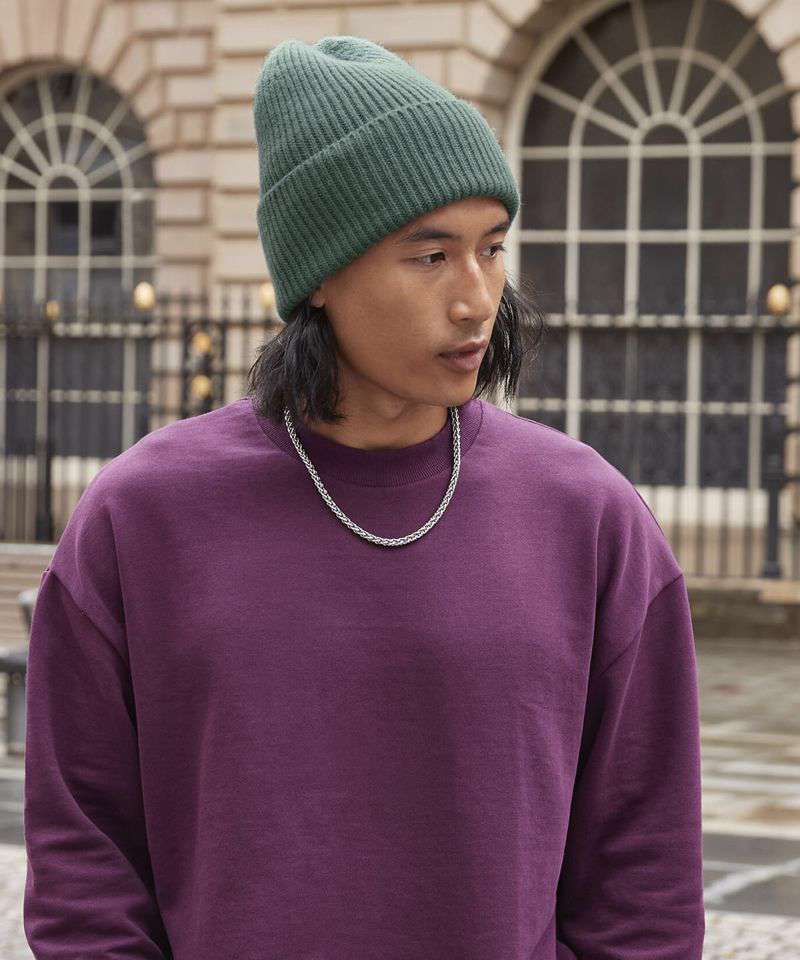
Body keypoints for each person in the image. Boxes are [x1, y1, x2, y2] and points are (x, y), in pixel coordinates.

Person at [22, 34, 705, 960]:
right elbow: (85, 864)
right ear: (319, 277)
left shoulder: (588, 515)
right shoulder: (141, 517)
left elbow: (645, 877)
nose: (477, 299)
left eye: (491, 249)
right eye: (430, 256)